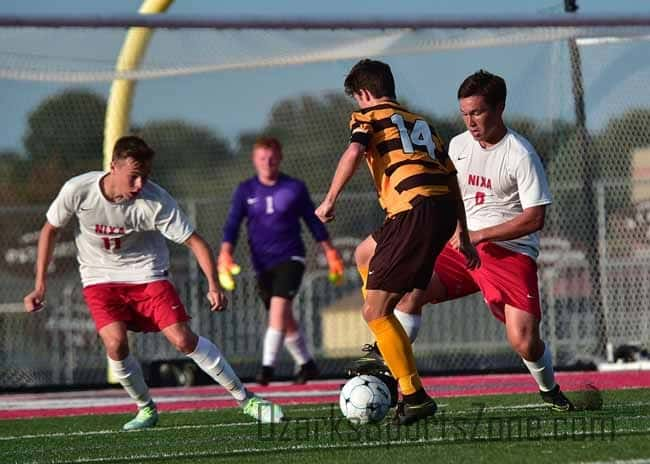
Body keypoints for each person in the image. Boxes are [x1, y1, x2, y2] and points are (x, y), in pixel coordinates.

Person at [23, 135, 284, 430]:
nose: (139, 186)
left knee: (182, 339)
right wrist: (40, 285)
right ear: (113, 167)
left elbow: (196, 243)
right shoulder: (78, 189)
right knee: (116, 344)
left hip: (147, 274)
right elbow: (49, 230)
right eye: (133, 177)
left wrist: (214, 284)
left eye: (144, 177)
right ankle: (145, 408)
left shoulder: (155, 200)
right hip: (99, 279)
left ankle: (247, 400)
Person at [354, 70, 574, 412]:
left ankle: (550, 391)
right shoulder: (457, 145)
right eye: (465, 114)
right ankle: (391, 376)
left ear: (499, 108)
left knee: (524, 341)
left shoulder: (521, 154)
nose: (471, 121)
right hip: (459, 247)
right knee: (410, 293)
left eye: (478, 112)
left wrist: (480, 234)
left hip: (509, 254)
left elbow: (535, 218)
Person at [315, 59, 479, 425]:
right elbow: (452, 181)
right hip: (436, 212)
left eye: (357, 99)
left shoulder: (368, 116)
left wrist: (329, 200)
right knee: (363, 253)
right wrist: (461, 233)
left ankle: (412, 392)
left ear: (365, 94)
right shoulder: (422, 122)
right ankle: (385, 337)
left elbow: (355, 152)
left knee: (375, 311)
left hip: (413, 211)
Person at [218, 136, 344, 386]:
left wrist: (330, 252)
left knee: (277, 313)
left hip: (291, 257)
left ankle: (266, 369)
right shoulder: (245, 190)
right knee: (284, 318)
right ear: (255, 160)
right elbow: (233, 224)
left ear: (280, 158)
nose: (268, 162)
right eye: (263, 157)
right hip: (261, 264)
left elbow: (312, 221)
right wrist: (225, 253)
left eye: (273, 157)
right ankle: (308, 365)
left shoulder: (294, 187)